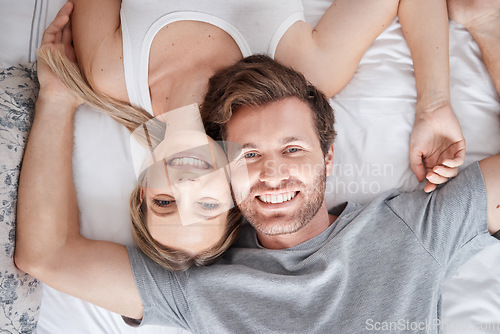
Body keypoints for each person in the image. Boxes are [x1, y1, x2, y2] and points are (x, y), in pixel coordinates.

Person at [15, 2, 500, 331]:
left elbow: (46, 255)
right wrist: (445, 88)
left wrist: (58, 97)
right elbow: (47, 255)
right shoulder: (202, 276)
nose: (272, 175)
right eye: (250, 154)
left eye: (292, 149)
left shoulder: (194, 282)